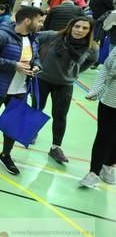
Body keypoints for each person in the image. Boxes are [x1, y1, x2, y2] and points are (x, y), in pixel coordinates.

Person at [0, 6, 44, 175]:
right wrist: (14, 65)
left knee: (13, 123)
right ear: (27, 20)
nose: (41, 24)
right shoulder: (1, 35)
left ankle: (6, 154)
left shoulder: (33, 39)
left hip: (20, 89)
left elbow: (37, 58)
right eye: (39, 21)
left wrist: (37, 67)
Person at [36, 17, 97, 163]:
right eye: (77, 26)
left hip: (64, 84)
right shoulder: (53, 36)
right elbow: (33, 38)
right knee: (37, 108)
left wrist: (74, 72)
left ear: (89, 31)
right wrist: (36, 60)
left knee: (60, 116)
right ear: (70, 26)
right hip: (42, 79)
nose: (80, 30)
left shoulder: (91, 47)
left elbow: (92, 60)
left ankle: (55, 148)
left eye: (84, 28)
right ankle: (31, 132)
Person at [81, 47, 116, 188]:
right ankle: (93, 172)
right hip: (110, 100)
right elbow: (106, 69)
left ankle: (108, 165)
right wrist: (95, 90)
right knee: (104, 136)